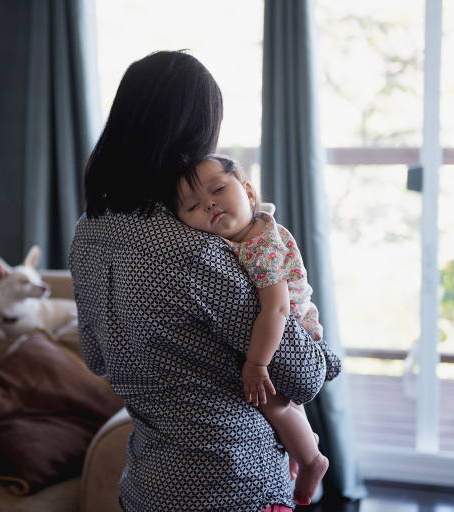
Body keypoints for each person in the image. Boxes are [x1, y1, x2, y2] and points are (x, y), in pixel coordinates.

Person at [69, 50, 330, 512]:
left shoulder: (87, 231)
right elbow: (303, 375)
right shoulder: (195, 251)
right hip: (232, 481)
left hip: (148, 485)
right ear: (192, 136)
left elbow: (96, 357)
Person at [168, 154, 342, 506]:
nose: (210, 204)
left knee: (272, 405)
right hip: (279, 329)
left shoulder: (260, 245)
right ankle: (302, 445)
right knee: (286, 404)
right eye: (193, 207)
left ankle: (311, 461)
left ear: (248, 191)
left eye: (217, 189)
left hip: (288, 333)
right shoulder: (242, 235)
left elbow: (276, 309)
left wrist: (257, 364)